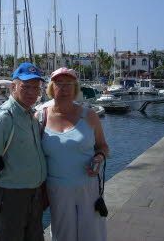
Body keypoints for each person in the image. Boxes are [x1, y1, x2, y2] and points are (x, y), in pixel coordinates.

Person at [36, 67, 109, 241]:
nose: (64, 88)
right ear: (52, 88)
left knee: (92, 235)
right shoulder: (39, 118)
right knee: (62, 236)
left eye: (69, 84)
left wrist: (99, 158)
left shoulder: (90, 116)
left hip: (89, 188)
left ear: (75, 89)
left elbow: (103, 146)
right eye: (59, 84)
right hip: (57, 190)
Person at [0, 62, 47, 241]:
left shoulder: (30, 116)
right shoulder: (3, 119)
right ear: (13, 88)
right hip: (10, 197)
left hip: (34, 195)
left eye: (36, 87)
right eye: (26, 86)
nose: (32, 92)